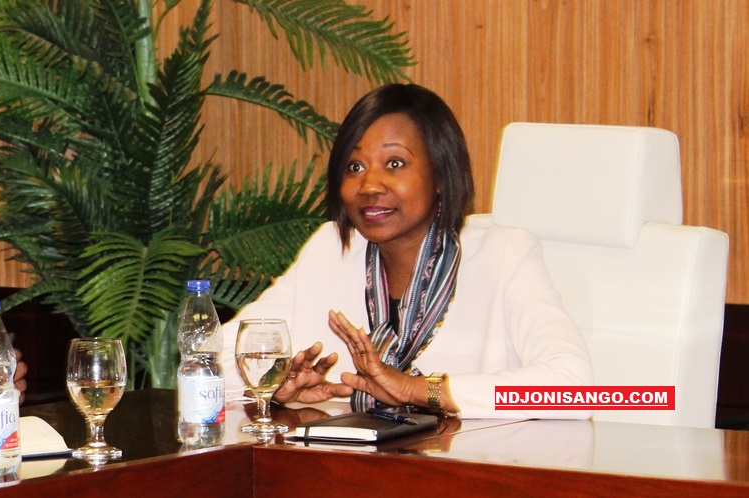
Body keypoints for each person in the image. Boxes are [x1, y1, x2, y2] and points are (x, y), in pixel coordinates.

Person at [221, 83, 592, 419]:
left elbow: (576, 390)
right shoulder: (330, 249)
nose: (369, 185)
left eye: (395, 164)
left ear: (441, 175)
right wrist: (274, 386)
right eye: (355, 166)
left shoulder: (504, 254)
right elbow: (214, 362)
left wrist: (416, 390)